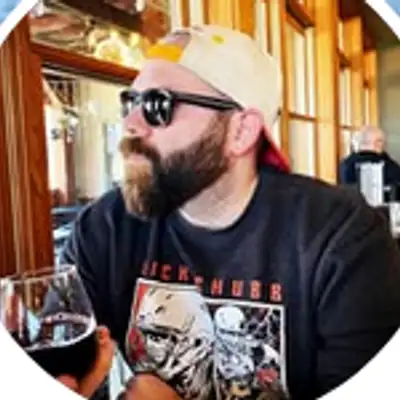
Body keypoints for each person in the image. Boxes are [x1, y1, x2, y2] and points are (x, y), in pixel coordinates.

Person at [58, 25, 400, 400]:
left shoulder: (342, 237)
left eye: (158, 105)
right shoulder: (103, 228)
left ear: (241, 131)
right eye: (130, 102)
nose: (129, 124)